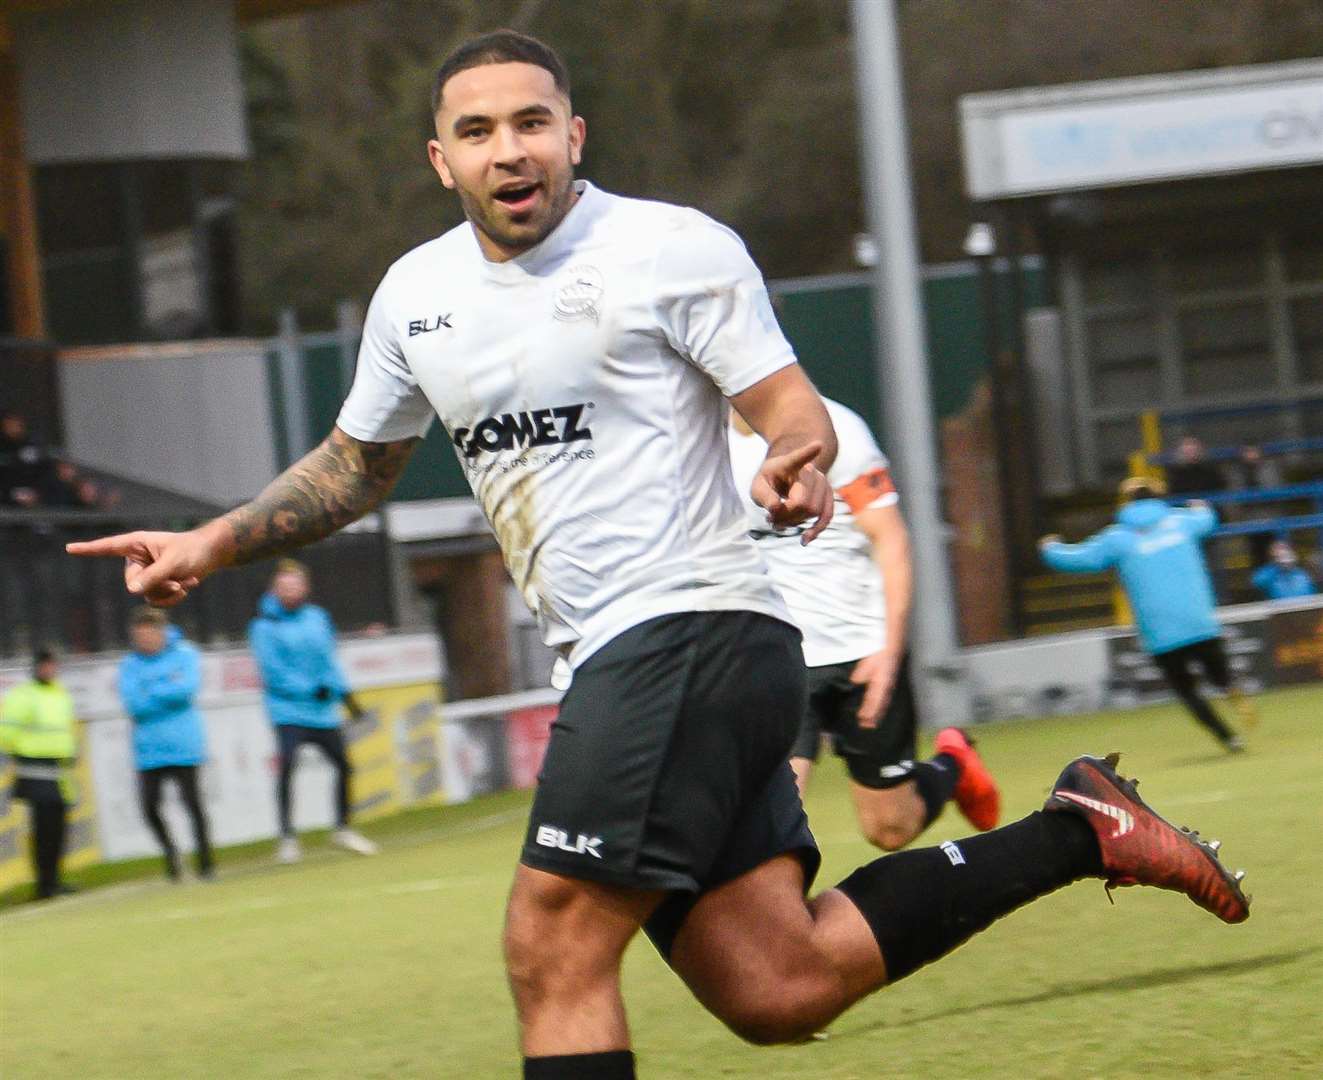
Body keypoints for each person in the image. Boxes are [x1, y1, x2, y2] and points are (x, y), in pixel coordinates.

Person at [68, 32, 1250, 1079]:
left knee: (550, 948)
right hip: (637, 665)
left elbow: (794, 407)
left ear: (573, 134)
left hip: (686, 626)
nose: (508, 149)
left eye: (531, 122)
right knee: (776, 986)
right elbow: (352, 468)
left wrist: (795, 457)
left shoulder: (667, 247)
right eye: (476, 131)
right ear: (440, 161)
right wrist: (212, 540)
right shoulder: (413, 296)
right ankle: (1077, 829)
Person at [728, 399, 998, 850]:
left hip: (862, 651)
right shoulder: (699, 439)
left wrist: (889, 653)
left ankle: (952, 763)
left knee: (890, 829)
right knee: (768, 822)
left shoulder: (835, 430)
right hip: (776, 658)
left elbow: (890, 539)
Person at [1040, 477, 1257, 752]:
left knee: (1188, 692)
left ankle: (1228, 737)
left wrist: (1050, 549)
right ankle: (1230, 689)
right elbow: (1208, 519)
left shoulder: (1117, 538)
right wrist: (1201, 507)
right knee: (1218, 674)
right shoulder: (1181, 521)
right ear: (1157, 498)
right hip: (1199, 621)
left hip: (1160, 633)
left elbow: (1080, 559)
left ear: (1126, 503)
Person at [248, 560, 376, 863]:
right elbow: (273, 671)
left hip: (322, 710)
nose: (290, 591)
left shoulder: (318, 618)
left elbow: (328, 661)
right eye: (284, 586)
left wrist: (346, 698)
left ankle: (343, 828)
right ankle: (288, 837)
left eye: (295, 585)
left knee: (344, 765)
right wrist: (308, 689)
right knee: (288, 765)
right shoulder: (264, 626)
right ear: (274, 590)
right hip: (288, 710)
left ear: (304, 588)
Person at [118, 607, 215, 881]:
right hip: (148, 749)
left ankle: (206, 863)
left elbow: (186, 691)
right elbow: (133, 703)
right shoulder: (129, 665)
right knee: (149, 807)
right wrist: (166, 688)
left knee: (193, 805)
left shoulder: (185, 654)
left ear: (161, 632)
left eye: (149, 634)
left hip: (183, 744)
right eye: (139, 636)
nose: (144, 640)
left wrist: (151, 690)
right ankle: (172, 854)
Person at [0, 648, 77, 900]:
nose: (48, 670)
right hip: (34, 769)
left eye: (51, 665)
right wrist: (23, 750)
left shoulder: (60, 694)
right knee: (43, 829)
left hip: (59, 770)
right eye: (44, 665)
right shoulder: (23, 696)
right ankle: (44, 884)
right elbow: (6, 733)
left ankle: (55, 880)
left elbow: (64, 730)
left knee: (58, 828)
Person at [1252, 539, 1319, 600]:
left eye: (1287, 554)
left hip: (1304, 610)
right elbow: (1256, 582)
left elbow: (1312, 593)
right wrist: (1275, 566)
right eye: (1279, 556)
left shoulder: (1302, 574)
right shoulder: (1270, 574)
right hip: (1280, 611)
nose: (1284, 559)